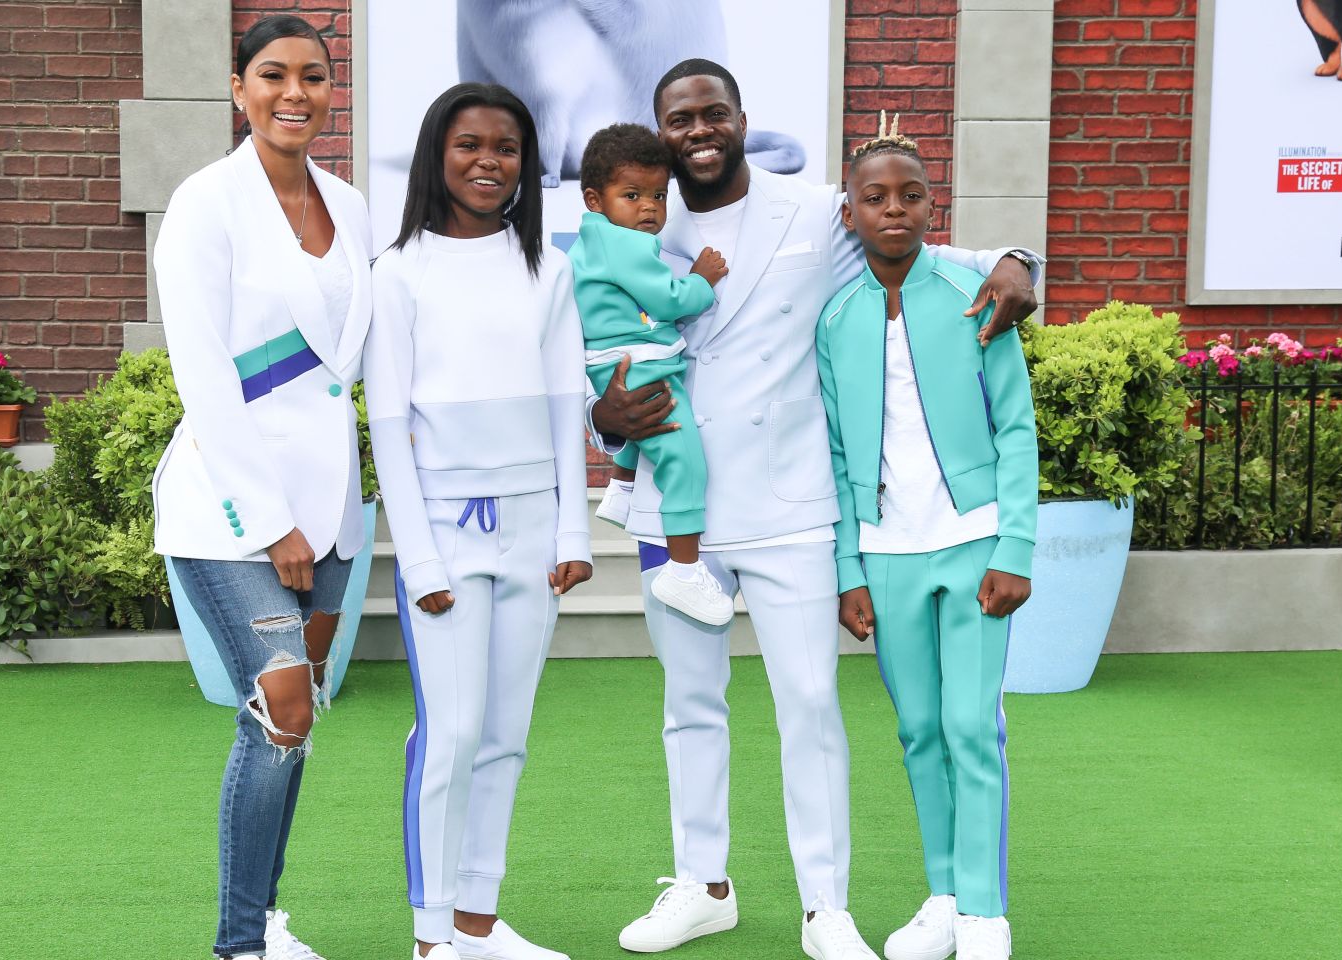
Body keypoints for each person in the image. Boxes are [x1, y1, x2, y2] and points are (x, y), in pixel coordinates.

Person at [590, 60, 1043, 960]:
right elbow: (600, 339)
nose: (699, 131)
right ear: (660, 130)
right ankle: (701, 885)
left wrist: (1019, 262)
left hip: (792, 505)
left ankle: (825, 906)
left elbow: (922, 251)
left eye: (713, 113)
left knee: (809, 703)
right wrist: (604, 428)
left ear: (742, 119)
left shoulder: (813, 208)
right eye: (681, 119)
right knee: (689, 704)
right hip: (675, 511)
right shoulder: (634, 216)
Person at [151, 16, 370, 960]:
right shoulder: (205, 202)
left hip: (332, 512)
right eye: (273, 75)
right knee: (279, 705)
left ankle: (269, 925)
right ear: (238, 89)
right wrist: (272, 522)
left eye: (313, 77)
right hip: (230, 509)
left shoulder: (352, 206)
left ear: (331, 90)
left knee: (299, 723)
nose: (295, 93)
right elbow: (203, 376)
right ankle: (238, 944)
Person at [362, 82, 594, 960]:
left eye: (506, 147)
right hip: (447, 535)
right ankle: (431, 940)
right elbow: (388, 424)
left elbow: (567, 402)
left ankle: (478, 923)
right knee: (451, 734)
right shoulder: (400, 271)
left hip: (535, 532)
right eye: (469, 145)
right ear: (436, 155)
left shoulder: (549, 267)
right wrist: (416, 561)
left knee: (505, 738)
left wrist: (573, 533)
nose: (489, 161)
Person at [821, 117, 1036, 960]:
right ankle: (943, 895)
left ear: (931, 204)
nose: (894, 210)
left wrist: (1016, 547)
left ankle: (985, 910)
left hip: (976, 541)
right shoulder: (836, 317)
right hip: (885, 551)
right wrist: (849, 569)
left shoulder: (975, 292)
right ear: (850, 214)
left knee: (971, 725)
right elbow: (838, 453)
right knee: (918, 729)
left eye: (911, 195)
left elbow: (1015, 429)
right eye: (875, 198)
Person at [571, 122, 734, 626]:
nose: (649, 207)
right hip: (638, 366)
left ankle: (621, 489)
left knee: (648, 435)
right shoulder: (624, 245)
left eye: (659, 195)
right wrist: (701, 281)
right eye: (632, 194)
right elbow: (667, 299)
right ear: (595, 200)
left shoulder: (595, 240)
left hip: (619, 363)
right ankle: (683, 568)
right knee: (686, 461)